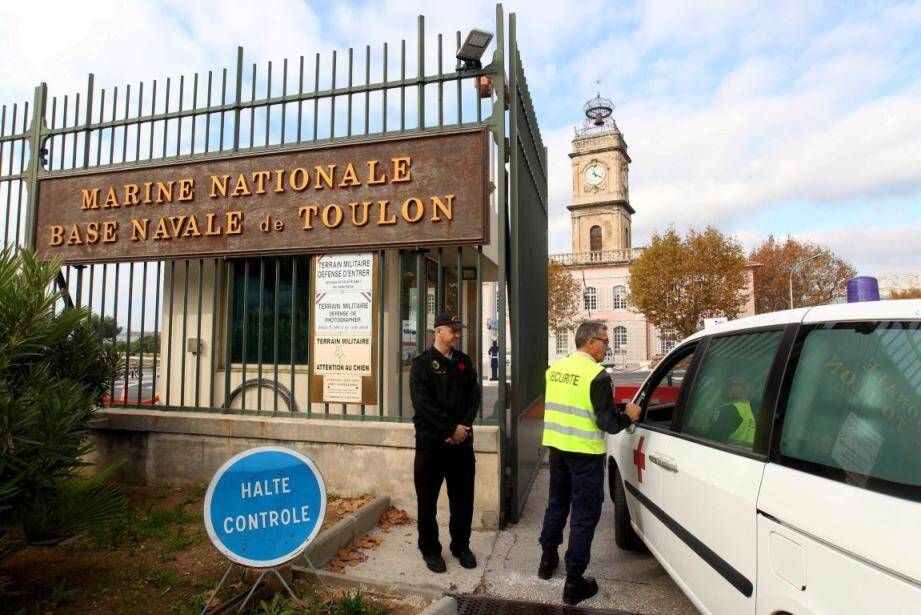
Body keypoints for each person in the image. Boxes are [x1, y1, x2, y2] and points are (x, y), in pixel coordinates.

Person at [537, 320, 641, 605]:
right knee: (584, 515)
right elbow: (607, 422)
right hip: (585, 455)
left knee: (556, 506)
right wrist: (629, 415)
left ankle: (547, 561)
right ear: (591, 341)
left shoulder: (555, 369)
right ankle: (574, 581)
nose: (607, 347)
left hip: (558, 449)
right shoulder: (597, 375)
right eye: (605, 341)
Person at [409, 311, 480, 573]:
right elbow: (423, 405)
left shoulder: (464, 361)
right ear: (437, 331)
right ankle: (430, 549)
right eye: (452, 329)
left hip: (461, 445)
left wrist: (462, 428)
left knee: (463, 501)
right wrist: (450, 428)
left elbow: (474, 397)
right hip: (432, 445)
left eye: (458, 329)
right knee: (427, 501)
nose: (457, 333)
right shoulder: (422, 364)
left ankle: (461, 546)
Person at [708, 374, 756, 449]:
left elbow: (713, 440)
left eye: (731, 383)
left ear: (744, 389)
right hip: (745, 456)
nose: (725, 386)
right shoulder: (750, 411)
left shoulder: (729, 410)